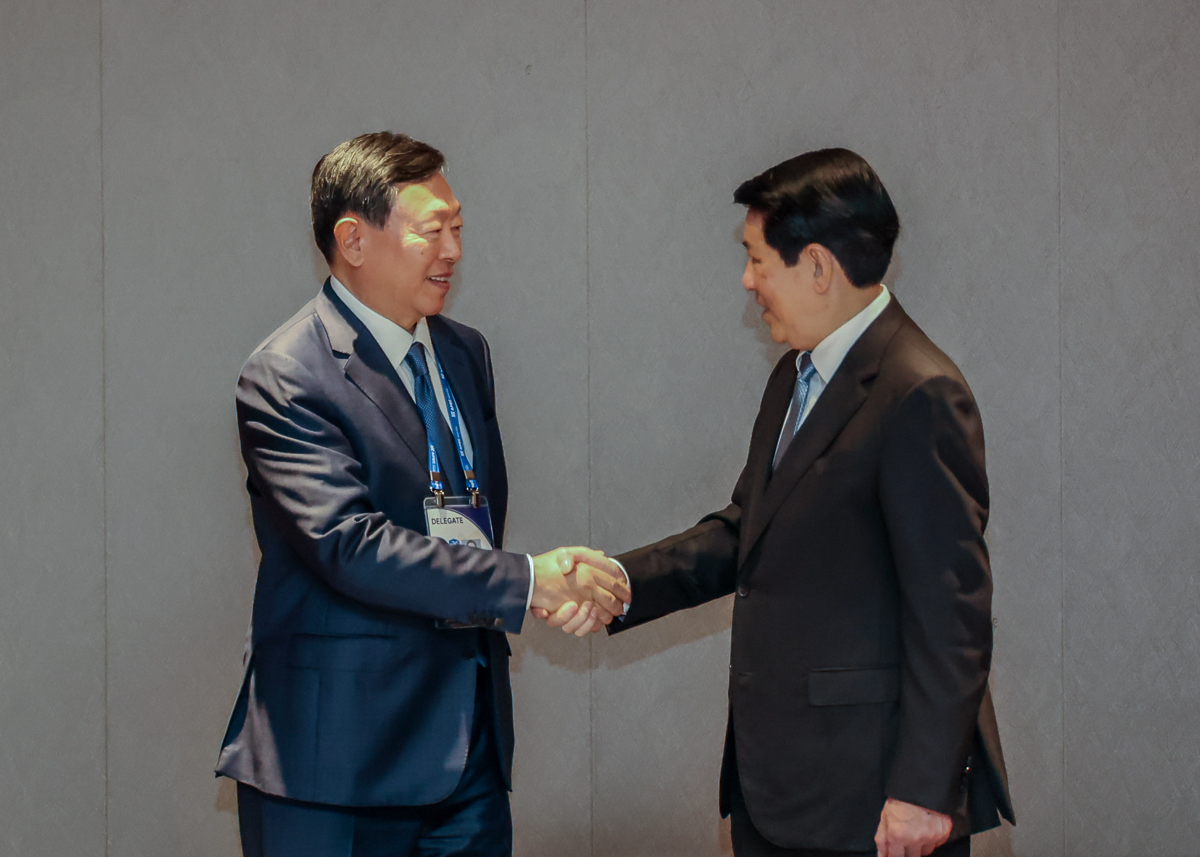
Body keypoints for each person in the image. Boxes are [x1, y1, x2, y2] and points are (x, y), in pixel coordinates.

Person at [587, 149, 1014, 856]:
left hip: (874, 805)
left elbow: (953, 613)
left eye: (758, 260)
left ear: (817, 267)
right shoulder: (796, 374)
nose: (748, 281)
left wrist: (923, 791)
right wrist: (618, 582)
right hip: (781, 789)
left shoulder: (918, 392)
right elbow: (746, 532)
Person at [215, 131, 628, 857]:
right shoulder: (287, 376)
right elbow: (349, 545)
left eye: (458, 227)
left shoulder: (465, 353)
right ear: (353, 240)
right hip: (334, 766)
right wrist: (529, 581)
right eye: (431, 230)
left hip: (465, 756)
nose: (453, 250)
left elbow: (471, 517)